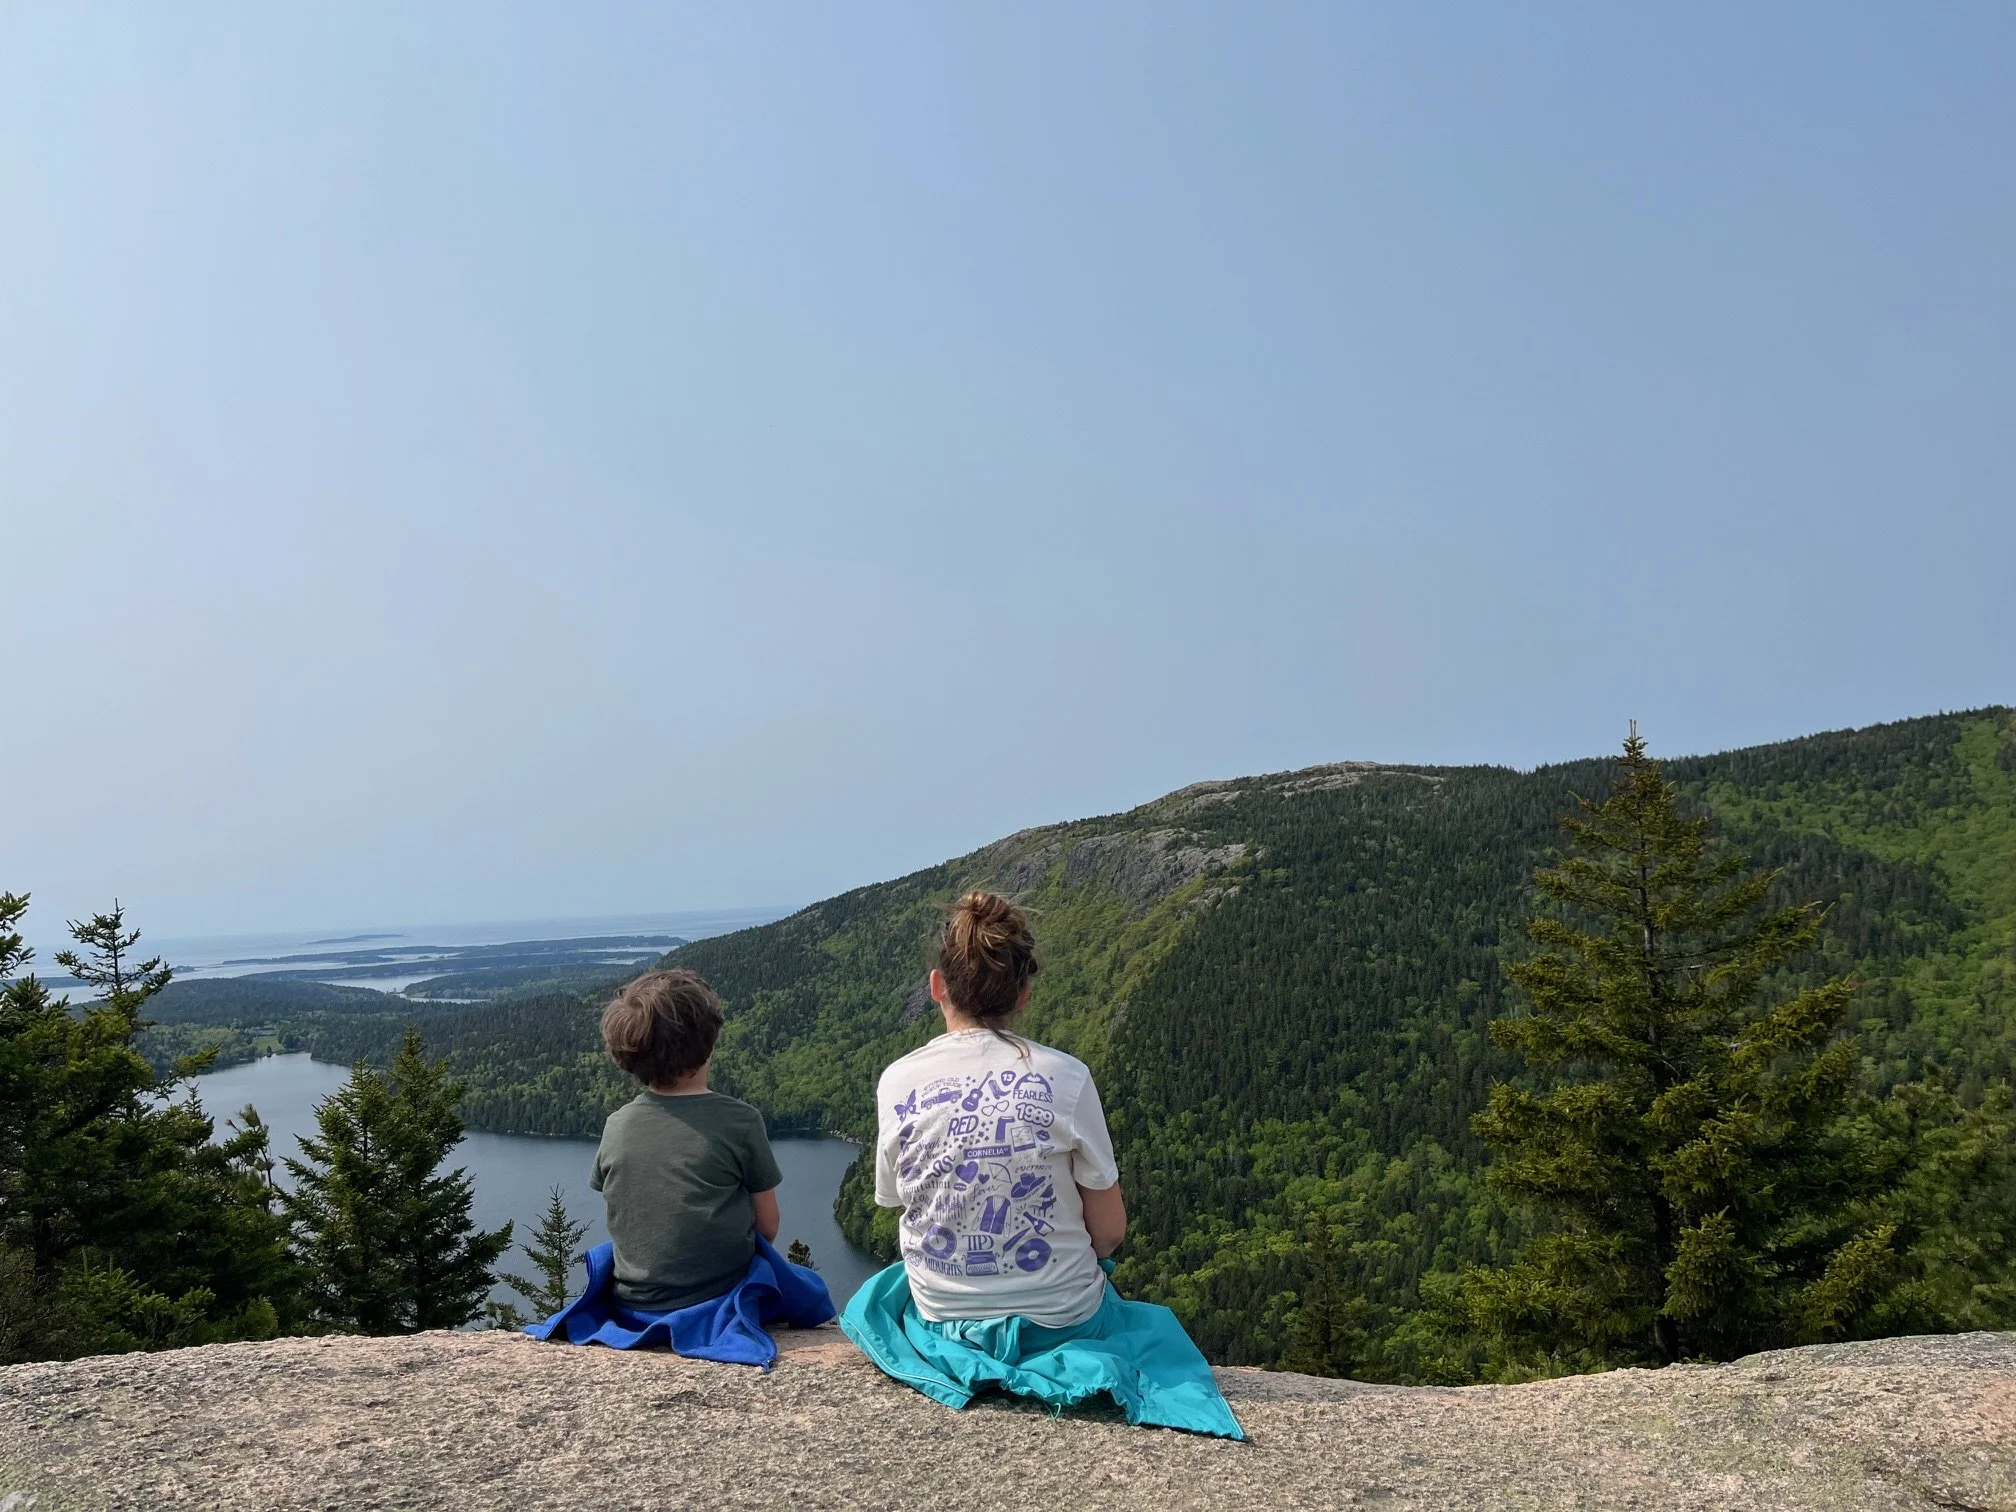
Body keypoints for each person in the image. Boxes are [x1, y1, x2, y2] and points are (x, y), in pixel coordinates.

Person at [839, 892, 1243, 1437]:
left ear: (937, 986)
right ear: (1024, 994)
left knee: (884, 1292)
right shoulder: (1066, 1076)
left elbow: (896, 1200)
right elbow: (1110, 1232)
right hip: (1063, 1320)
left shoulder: (897, 1080)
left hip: (944, 1321)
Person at [524, 968, 833, 1365]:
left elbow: (628, 1205)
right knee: (808, 1288)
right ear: (710, 1042)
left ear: (627, 1056)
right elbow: (768, 1225)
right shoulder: (740, 1121)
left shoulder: (616, 1125)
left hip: (632, 1300)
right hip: (716, 1294)